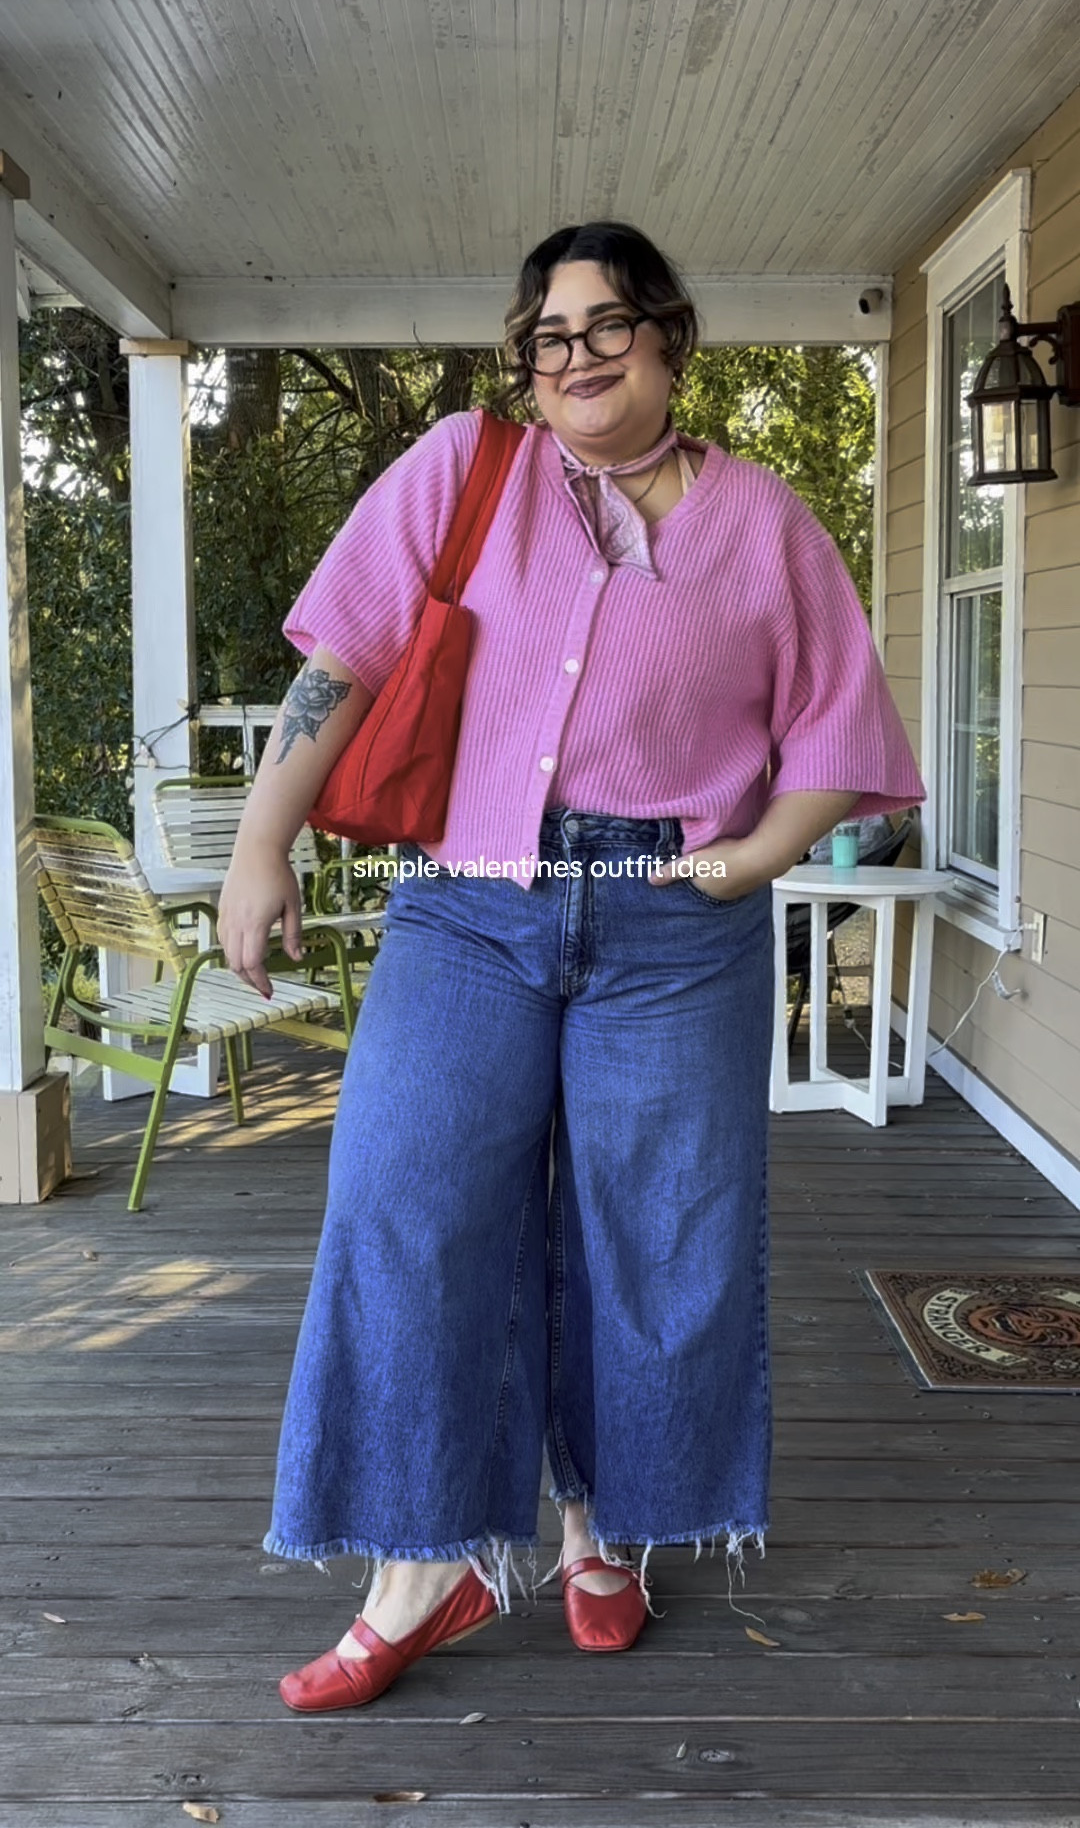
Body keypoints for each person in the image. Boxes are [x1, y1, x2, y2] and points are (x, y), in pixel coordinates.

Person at [217, 221, 924, 1713]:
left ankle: (604, 1535)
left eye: (611, 322)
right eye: (552, 329)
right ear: (525, 355)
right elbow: (336, 661)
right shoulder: (464, 474)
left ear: (669, 338)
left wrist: (750, 860)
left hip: (676, 931)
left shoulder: (767, 525)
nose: (579, 351)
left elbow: (841, 740)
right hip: (468, 912)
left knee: (649, 1236)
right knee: (402, 1200)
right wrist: (257, 846)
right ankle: (425, 1565)